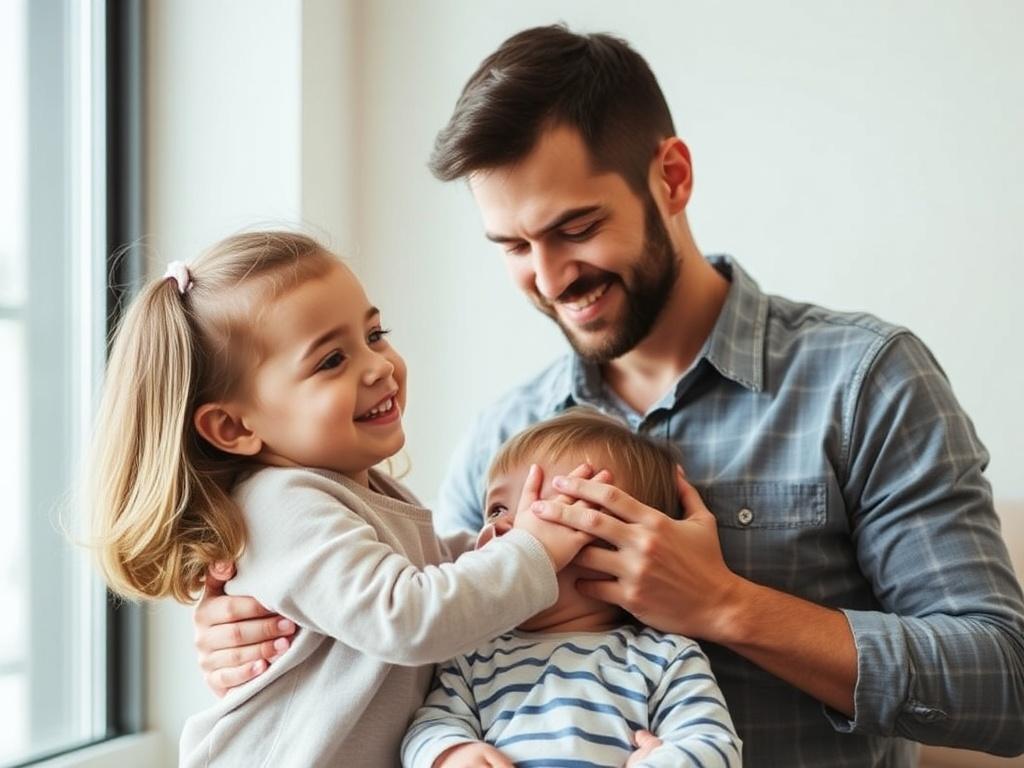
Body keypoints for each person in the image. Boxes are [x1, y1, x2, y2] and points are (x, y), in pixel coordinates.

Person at [193, 25, 1024, 767]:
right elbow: (421, 647)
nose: (551, 280)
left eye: (576, 229)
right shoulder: (507, 434)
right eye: (514, 245)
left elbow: (1006, 684)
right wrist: (273, 639)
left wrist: (727, 605)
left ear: (672, 177)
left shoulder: (863, 380)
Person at [88, 231, 611, 767]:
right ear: (231, 426)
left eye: (375, 334)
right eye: (332, 360)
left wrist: (512, 532)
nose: (379, 365)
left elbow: (430, 566)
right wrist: (534, 548)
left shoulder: (363, 488)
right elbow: (410, 615)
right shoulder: (279, 507)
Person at [402, 407, 742, 768]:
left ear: (633, 548)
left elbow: (715, 744)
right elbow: (430, 726)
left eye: (553, 508)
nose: (511, 528)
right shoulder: (473, 654)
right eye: (498, 509)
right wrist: (452, 753)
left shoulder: (664, 657)